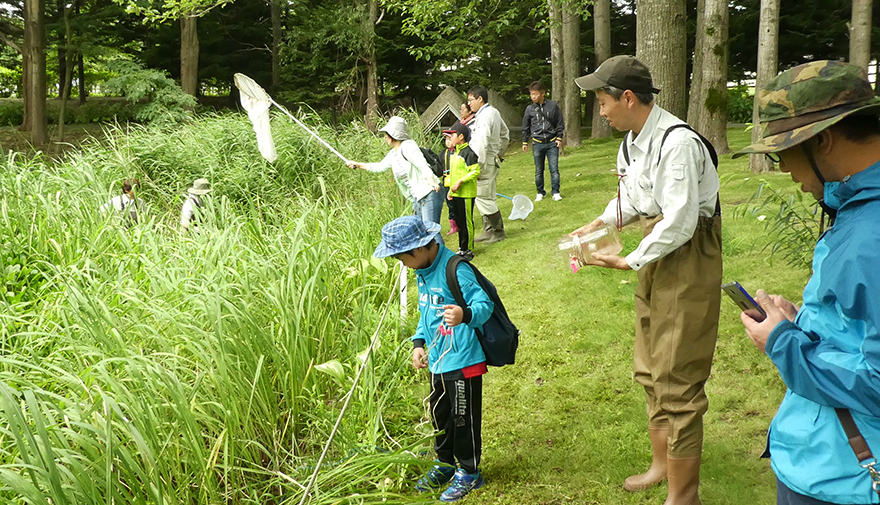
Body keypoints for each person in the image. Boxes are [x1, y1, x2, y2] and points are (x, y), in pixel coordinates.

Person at [570, 55, 722, 504]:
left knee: (678, 373)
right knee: (650, 361)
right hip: (655, 249)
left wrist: (631, 259)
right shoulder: (632, 142)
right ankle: (661, 464)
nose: (600, 111)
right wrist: (598, 224)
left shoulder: (677, 143)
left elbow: (679, 221)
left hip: (687, 253)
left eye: (602, 102)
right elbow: (635, 200)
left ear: (628, 98)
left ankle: (683, 497)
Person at [733, 60, 880, 505]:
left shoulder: (869, 240)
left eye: (782, 153)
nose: (782, 170)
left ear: (822, 140)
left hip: (844, 476)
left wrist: (781, 341)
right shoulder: (858, 210)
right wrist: (805, 322)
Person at [373, 216, 493, 502]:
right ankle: (444, 463)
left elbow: (484, 305)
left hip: (463, 360)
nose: (402, 264)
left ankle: (469, 471)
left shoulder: (456, 269)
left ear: (420, 248)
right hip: (438, 360)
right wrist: (418, 343)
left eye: (402, 258)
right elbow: (427, 314)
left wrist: (465, 315)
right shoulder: (422, 272)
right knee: (440, 414)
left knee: (464, 418)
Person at [347, 116, 442, 225]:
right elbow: (379, 167)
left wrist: (431, 181)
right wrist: (357, 164)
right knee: (420, 232)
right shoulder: (393, 154)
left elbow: (422, 165)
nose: (385, 137)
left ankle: (440, 243)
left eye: (386, 134)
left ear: (393, 135)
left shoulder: (408, 147)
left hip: (429, 192)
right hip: (418, 197)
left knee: (431, 231)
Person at [467, 86, 510, 244]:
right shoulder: (493, 112)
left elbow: (482, 142)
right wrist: (500, 153)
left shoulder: (486, 115)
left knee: (484, 196)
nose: (469, 103)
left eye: (471, 100)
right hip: (490, 159)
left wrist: (478, 165)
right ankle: (489, 230)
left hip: (484, 161)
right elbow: (505, 134)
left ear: (480, 99)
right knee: (486, 196)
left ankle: (498, 232)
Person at [442, 122, 481, 261]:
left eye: (453, 135)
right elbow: (454, 173)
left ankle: (469, 248)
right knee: (458, 222)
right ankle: (462, 247)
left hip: (466, 194)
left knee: (466, 222)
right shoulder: (455, 153)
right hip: (456, 194)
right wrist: (450, 190)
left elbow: (475, 171)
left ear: (461, 137)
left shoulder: (469, 153)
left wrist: (460, 182)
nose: (450, 138)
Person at [521, 81, 565, 201]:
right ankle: (540, 192)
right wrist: (525, 142)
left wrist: (559, 138)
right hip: (537, 143)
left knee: (554, 169)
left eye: (535, 94)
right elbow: (526, 126)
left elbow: (560, 123)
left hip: (552, 142)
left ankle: (555, 192)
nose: (533, 97)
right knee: (538, 170)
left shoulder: (553, 106)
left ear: (543, 93)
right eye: (531, 94)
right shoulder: (530, 109)